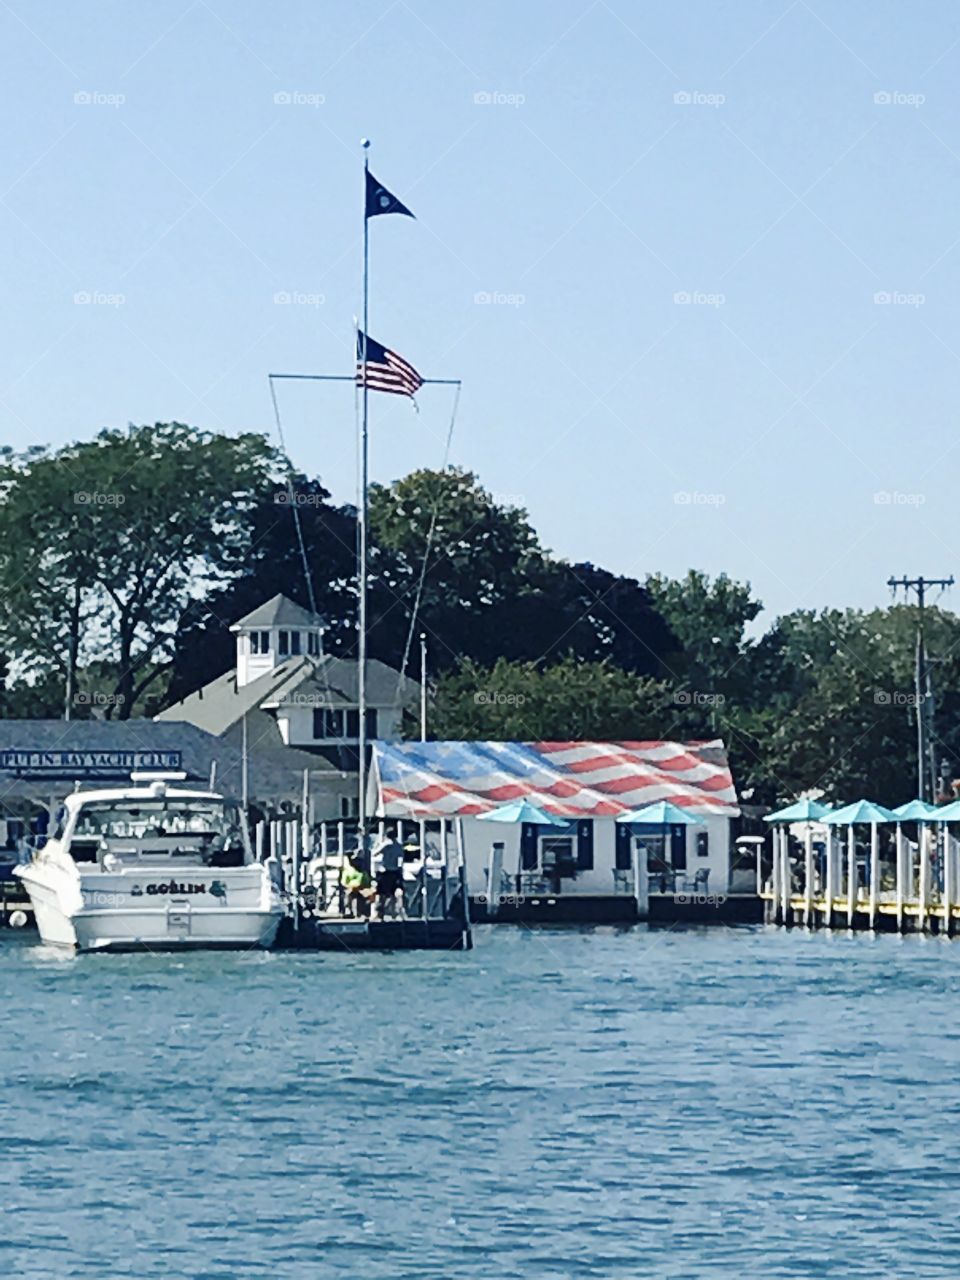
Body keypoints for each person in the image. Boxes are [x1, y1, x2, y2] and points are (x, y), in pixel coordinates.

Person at [372, 827, 405, 919]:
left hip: (385, 871)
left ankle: (380, 913)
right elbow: (401, 859)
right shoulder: (399, 846)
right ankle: (394, 913)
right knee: (393, 893)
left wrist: (378, 845)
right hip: (395, 871)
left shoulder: (386, 845)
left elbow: (374, 853)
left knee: (382, 894)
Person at [340, 852, 373, 918]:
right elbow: (344, 883)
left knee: (371, 893)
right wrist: (351, 886)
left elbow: (368, 883)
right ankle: (349, 911)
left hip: (362, 889)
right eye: (355, 861)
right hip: (350, 888)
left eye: (358, 861)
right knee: (348, 894)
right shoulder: (347, 871)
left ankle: (364, 912)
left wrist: (364, 888)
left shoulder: (363, 872)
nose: (356, 862)